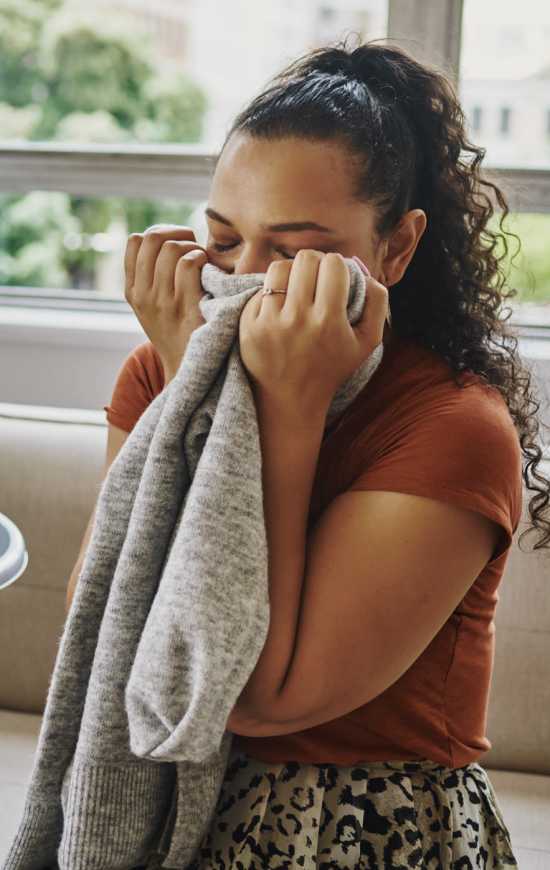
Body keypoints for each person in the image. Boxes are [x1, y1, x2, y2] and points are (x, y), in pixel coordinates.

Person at [99, 38, 550, 869]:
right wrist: (180, 384)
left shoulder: (454, 428)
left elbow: (261, 696)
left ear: (397, 250)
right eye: (225, 242)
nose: (248, 280)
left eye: (296, 249)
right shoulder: (166, 365)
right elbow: (116, 639)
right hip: (167, 815)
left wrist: (288, 411)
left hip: (367, 831)